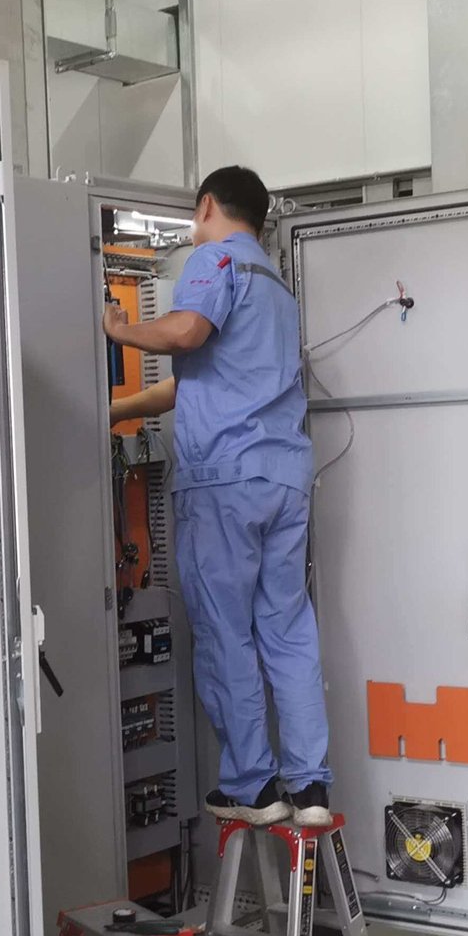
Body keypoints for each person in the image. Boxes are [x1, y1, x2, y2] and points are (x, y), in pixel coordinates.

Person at [106, 165, 331, 827]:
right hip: (282, 480)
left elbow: (185, 335)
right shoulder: (277, 289)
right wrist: (116, 410)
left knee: (225, 631)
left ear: (206, 205)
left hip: (224, 480)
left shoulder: (214, 261)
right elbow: (192, 380)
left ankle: (252, 787)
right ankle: (310, 788)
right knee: (287, 631)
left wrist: (120, 331)